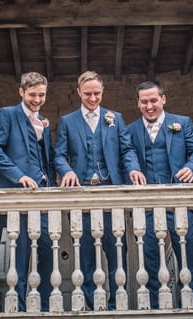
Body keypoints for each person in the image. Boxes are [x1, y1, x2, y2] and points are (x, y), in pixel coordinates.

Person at [54, 70, 146, 310]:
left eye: (96, 93)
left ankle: (118, 300)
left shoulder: (114, 118)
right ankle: (86, 302)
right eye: (87, 94)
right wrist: (67, 171)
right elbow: (60, 155)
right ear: (78, 93)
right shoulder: (67, 121)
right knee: (82, 249)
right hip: (81, 192)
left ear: (102, 92)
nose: (93, 98)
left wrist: (133, 169)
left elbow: (126, 150)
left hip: (110, 190)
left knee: (116, 249)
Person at [127, 80, 193, 308]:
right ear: (138, 103)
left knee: (188, 252)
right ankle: (152, 305)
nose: (149, 106)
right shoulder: (131, 130)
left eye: (153, 100)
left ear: (163, 99)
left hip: (179, 199)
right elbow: (128, 155)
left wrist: (191, 167)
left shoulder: (181, 123)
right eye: (144, 102)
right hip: (147, 203)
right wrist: (133, 169)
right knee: (149, 256)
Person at [0, 72, 55, 312]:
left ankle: (47, 305)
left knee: (48, 250)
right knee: (21, 253)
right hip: (18, 195)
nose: (37, 99)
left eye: (42, 95)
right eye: (32, 94)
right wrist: (17, 175)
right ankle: (18, 307)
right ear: (21, 92)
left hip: (44, 196)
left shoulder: (44, 121)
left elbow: (47, 160)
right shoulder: (7, 115)